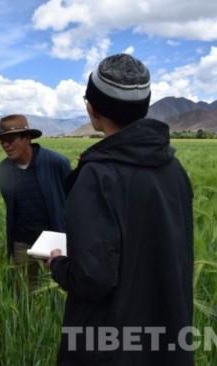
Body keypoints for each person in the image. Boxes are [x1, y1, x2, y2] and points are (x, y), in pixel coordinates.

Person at [48, 54, 194, 365]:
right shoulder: (173, 169)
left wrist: (58, 265)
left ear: (92, 109)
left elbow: (93, 277)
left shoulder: (96, 176)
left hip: (108, 348)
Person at [0, 114, 71, 287]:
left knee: (57, 290)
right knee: (25, 292)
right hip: (22, 242)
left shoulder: (56, 163)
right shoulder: (4, 169)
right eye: (2, 141)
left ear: (27, 137)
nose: (5, 145)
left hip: (53, 243)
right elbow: (11, 205)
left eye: (10, 139)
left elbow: (71, 201)